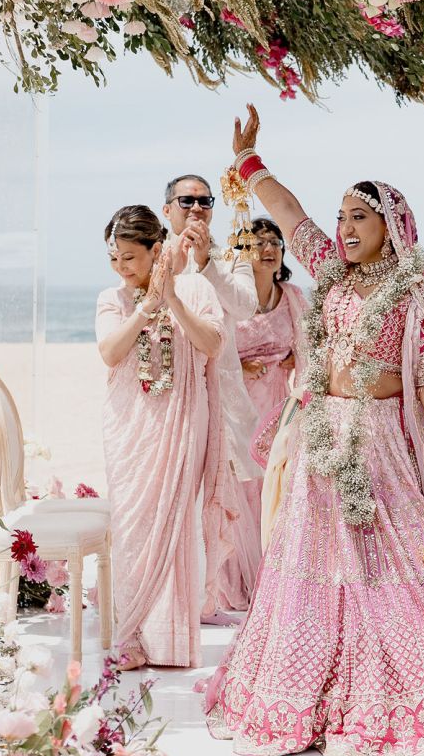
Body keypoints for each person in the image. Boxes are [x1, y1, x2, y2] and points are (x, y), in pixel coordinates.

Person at [204, 106, 424, 756]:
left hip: (383, 452)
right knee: (315, 576)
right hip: (322, 446)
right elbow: (290, 216)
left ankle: (417, 699)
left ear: (394, 225)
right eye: (342, 218)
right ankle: (308, 697)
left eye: (358, 217)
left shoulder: (415, 292)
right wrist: (250, 163)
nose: (343, 228)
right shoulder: (333, 274)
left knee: (397, 574)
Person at [96, 206, 226, 670]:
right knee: (131, 528)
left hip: (183, 418)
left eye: (131, 257)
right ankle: (129, 636)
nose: (122, 268)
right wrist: (146, 307)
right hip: (129, 425)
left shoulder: (194, 288)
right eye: (115, 258)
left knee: (174, 525)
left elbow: (211, 345)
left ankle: (169, 642)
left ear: (157, 250)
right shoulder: (112, 299)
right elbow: (111, 353)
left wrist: (171, 298)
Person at [163, 173, 263, 620]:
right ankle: (176, 591)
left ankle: (217, 591)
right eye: (187, 201)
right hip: (167, 395)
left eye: (205, 202)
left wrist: (206, 263)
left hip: (221, 394)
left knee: (223, 490)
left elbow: (246, 306)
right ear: (168, 208)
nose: (197, 209)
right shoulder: (156, 254)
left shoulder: (232, 256)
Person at [232, 216, 307, 551]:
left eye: (276, 243)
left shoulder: (291, 296)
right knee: (240, 483)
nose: (269, 249)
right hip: (238, 404)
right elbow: (210, 348)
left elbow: (312, 344)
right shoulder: (231, 298)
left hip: (279, 401)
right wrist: (238, 366)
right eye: (259, 242)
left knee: (274, 478)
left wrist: (294, 355)